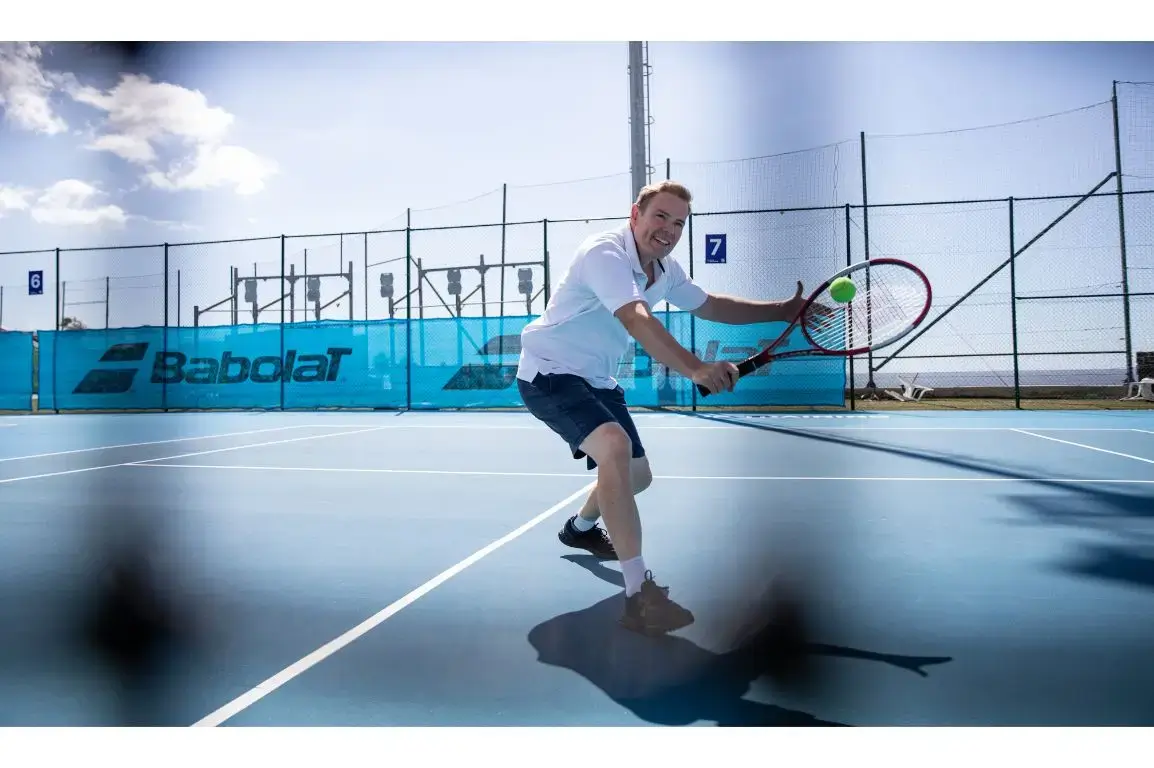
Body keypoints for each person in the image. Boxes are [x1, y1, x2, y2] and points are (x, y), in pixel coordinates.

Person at [516, 180, 811, 636]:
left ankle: (579, 527)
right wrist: (695, 368)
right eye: (661, 216)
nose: (669, 229)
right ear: (636, 214)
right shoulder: (605, 253)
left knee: (638, 476)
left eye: (678, 223)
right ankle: (640, 595)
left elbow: (710, 305)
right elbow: (636, 317)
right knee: (612, 448)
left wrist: (781, 310)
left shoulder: (665, 270)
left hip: (596, 379)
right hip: (549, 371)